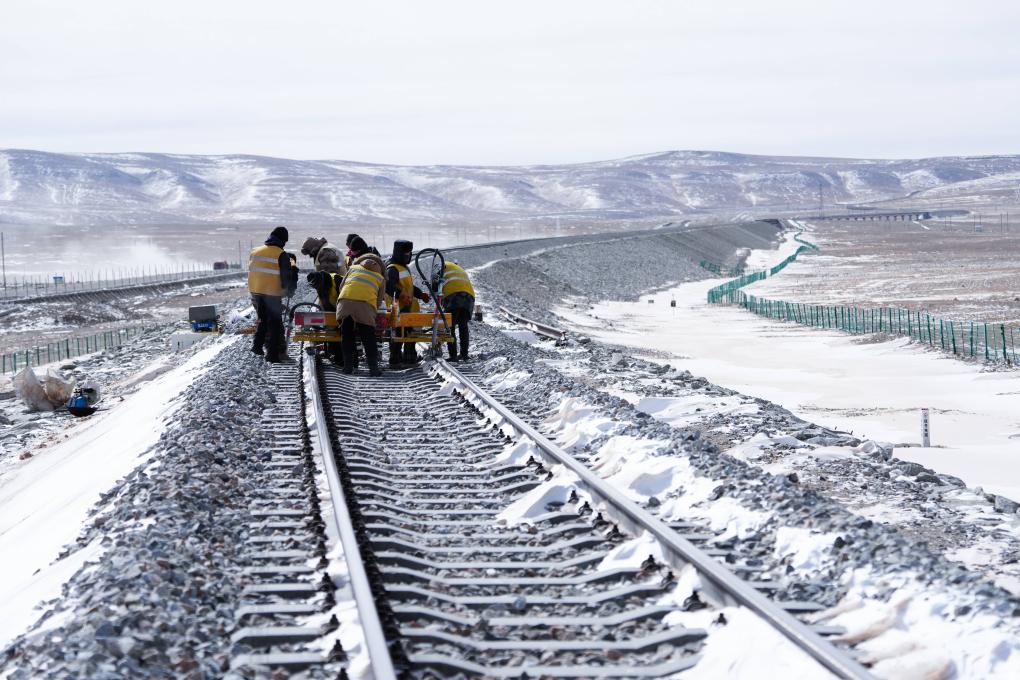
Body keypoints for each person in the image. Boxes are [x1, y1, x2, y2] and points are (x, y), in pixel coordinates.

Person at [335, 237, 385, 376]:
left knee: (347, 334)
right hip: (365, 305)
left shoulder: (353, 268)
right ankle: (373, 369)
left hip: (345, 303)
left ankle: (348, 367)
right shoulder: (380, 276)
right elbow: (379, 299)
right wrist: (372, 311)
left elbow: (341, 286)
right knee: (368, 337)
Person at [248, 226, 296, 363]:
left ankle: (257, 347)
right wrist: (289, 289)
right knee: (275, 324)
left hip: (256, 291)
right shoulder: (281, 254)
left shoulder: (255, 251)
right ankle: (272, 355)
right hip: (271, 293)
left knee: (263, 319)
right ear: (283, 240)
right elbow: (286, 277)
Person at [385, 239, 430, 366]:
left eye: (409, 254)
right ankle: (395, 360)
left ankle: (409, 358)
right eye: (405, 254)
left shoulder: (403, 268)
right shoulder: (392, 269)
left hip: (407, 308)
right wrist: (400, 295)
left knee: (410, 334)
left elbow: (408, 287)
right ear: (398, 253)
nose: (408, 256)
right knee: (398, 336)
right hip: (397, 309)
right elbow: (389, 287)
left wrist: (420, 294)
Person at [440, 260, 475, 361]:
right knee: (463, 325)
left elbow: (435, 288)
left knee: (449, 327)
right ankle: (464, 354)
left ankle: (453, 355)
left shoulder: (440, 268)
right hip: (469, 297)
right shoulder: (459, 269)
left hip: (453, 296)